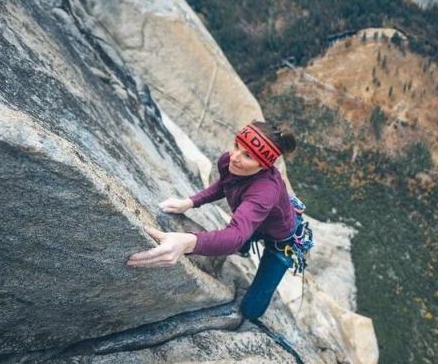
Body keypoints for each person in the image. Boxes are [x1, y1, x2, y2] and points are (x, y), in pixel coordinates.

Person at [127, 120, 307, 322]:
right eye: (237, 146)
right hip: (258, 217)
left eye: (248, 156)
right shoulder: (229, 162)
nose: (235, 157)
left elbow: (237, 236)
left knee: (250, 310)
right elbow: (224, 185)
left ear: (263, 165)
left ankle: (254, 294)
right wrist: (190, 202)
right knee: (240, 236)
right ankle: (248, 241)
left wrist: (188, 242)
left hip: (282, 239)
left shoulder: (265, 191)